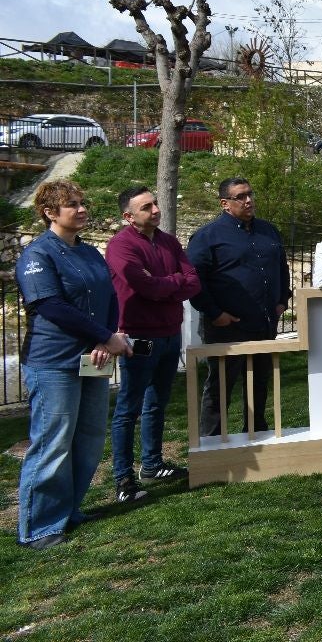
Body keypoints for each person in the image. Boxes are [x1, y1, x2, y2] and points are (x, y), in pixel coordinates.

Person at [16, 180, 131, 550]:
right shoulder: (37, 255)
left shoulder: (89, 252)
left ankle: (69, 511)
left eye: (83, 203)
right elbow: (50, 306)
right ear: (50, 212)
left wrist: (104, 338)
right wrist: (101, 335)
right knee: (53, 443)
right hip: (53, 362)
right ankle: (39, 527)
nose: (81, 210)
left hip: (92, 355)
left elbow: (110, 296)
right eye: (72, 205)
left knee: (88, 439)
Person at [105, 186, 201, 504]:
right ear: (128, 216)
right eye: (147, 207)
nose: (156, 210)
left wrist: (166, 284)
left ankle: (152, 464)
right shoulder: (121, 246)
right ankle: (123, 479)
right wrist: (174, 282)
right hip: (140, 337)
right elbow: (143, 286)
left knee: (157, 402)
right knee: (129, 407)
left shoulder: (168, 241)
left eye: (155, 204)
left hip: (171, 334)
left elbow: (193, 280)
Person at [188, 178, 292, 436]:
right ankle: (211, 439)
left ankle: (256, 432)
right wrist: (215, 313)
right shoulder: (207, 236)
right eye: (240, 196)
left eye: (250, 194)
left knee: (259, 381)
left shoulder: (269, 231)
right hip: (226, 326)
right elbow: (194, 279)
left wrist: (282, 301)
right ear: (225, 203)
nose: (248, 200)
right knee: (221, 384)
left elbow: (281, 267)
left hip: (263, 322)